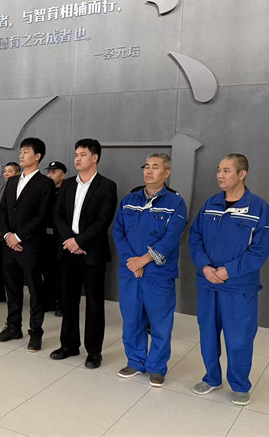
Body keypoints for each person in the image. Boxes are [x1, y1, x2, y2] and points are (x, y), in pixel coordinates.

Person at [189, 153, 269, 406]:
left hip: (238, 286)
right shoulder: (210, 204)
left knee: (239, 338)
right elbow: (195, 237)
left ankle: (240, 384)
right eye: (218, 170)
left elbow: (260, 250)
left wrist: (229, 271)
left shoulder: (258, 208)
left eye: (226, 170)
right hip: (208, 283)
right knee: (208, 333)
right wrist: (205, 266)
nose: (220, 175)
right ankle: (212, 378)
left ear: (242, 174)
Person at [113, 153, 187, 383]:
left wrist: (143, 260)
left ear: (167, 172)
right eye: (146, 166)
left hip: (158, 274)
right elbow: (118, 232)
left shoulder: (175, 203)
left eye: (155, 167)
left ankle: (157, 366)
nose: (149, 171)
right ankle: (135, 361)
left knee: (160, 322)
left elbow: (171, 238)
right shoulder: (129, 200)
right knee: (132, 319)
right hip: (130, 272)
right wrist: (131, 261)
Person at [50, 139, 117, 369]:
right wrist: (70, 240)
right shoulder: (68, 184)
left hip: (92, 252)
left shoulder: (107, 186)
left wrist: (79, 241)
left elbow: (103, 220)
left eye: (83, 154)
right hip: (68, 251)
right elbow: (57, 214)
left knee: (94, 304)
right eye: (76, 154)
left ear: (95, 157)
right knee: (68, 301)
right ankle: (69, 345)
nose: (78, 158)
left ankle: (94, 352)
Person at [0, 137, 54, 352]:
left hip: (31, 245)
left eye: (26, 151)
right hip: (9, 244)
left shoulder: (45, 183)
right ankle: (13, 327)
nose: (21, 155)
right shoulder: (12, 181)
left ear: (37, 156)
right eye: (21, 151)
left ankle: (36, 332)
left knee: (35, 290)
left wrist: (18, 236)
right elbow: (3, 210)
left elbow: (42, 215)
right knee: (12, 287)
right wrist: (7, 234)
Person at [0, 162, 20, 304]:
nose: (6, 174)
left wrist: (1, 225)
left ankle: (13, 295)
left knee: (11, 268)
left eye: (10, 171)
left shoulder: (19, 189)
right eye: (5, 171)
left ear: (18, 174)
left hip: (11, 235)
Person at [41, 160, 67, 315]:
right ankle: (49, 301)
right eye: (49, 172)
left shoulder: (68, 191)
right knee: (48, 270)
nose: (50, 175)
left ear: (62, 175)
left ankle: (62, 304)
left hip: (62, 237)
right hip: (46, 237)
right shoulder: (46, 191)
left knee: (62, 272)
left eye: (54, 172)